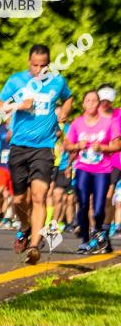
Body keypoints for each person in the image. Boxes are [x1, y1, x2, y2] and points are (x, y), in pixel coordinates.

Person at [0, 44, 72, 264]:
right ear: (29, 62)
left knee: (39, 196)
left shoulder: (57, 81)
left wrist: (64, 113)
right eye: (35, 65)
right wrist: (18, 104)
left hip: (44, 147)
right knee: (19, 198)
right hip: (19, 145)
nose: (39, 69)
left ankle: (33, 246)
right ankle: (26, 227)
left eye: (43, 65)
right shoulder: (16, 80)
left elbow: (68, 97)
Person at [64, 90, 120, 253]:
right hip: (82, 168)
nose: (91, 104)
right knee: (82, 205)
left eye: (94, 101)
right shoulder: (77, 123)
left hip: (102, 170)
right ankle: (85, 240)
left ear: (98, 103)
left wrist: (102, 147)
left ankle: (99, 232)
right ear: (83, 104)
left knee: (99, 206)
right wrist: (77, 146)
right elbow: (67, 145)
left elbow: (117, 146)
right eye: (87, 101)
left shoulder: (108, 123)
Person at [96, 85, 121, 237]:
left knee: (108, 194)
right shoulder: (92, 115)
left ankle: (104, 229)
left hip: (114, 161)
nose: (105, 104)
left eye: (108, 101)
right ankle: (95, 229)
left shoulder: (119, 114)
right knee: (93, 197)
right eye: (102, 100)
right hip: (92, 161)